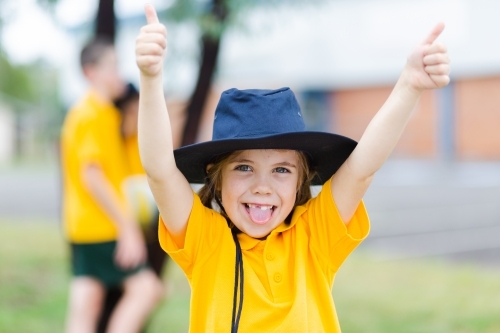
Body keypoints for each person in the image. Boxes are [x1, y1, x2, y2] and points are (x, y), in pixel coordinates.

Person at [136, 4, 450, 332]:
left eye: (282, 170)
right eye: (244, 167)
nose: (262, 186)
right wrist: (150, 77)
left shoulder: (314, 235)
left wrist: (409, 86)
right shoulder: (205, 239)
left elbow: (362, 168)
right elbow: (159, 170)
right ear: (217, 174)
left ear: (303, 177)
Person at [61, 38, 163, 333]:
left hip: (85, 226)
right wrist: (127, 227)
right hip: (102, 225)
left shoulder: (104, 114)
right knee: (147, 290)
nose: (119, 73)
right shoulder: (90, 113)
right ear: (90, 72)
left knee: (86, 303)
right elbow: (91, 176)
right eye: (113, 66)